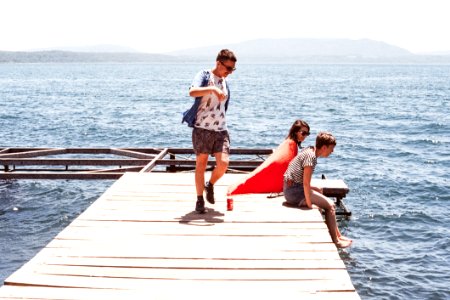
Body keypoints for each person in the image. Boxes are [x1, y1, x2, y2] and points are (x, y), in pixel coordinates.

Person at [183, 49, 237, 213]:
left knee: (223, 164)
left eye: (232, 70)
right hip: (202, 129)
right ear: (218, 63)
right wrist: (212, 90)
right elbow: (192, 91)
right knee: (201, 165)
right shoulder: (204, 75)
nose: (229, 72)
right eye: (227, 68)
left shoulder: (225, 82)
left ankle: (210, 185)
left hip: (221, 129)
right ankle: (200, 200)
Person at [283, 132, 352, 248]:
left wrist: (313, 191)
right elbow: (305, 184)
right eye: (331, 149)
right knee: (330, 206)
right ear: (324, 147)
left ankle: (338, 234)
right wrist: (310, 205)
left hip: (291, 187)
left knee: (319, 190)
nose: (332, 152)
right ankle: (336, 241)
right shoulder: (311, 158)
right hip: (294, 191)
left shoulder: (310, 149)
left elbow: (304, 182)